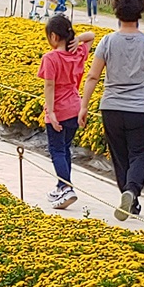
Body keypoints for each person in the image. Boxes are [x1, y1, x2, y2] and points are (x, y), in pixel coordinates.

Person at [79, 0, 144, 221]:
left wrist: (84, 106)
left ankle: (130, 198)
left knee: (119, 156)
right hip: (140, 109)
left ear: (117, 12)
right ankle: (131, 191)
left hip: (112, 108)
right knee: (139, 154)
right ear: (141, 13)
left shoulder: (108, 41)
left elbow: (93, 77)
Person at [40, 15, 94, 210]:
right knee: (65, 148)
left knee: (56, 150)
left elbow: (49, 85)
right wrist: (78, 39)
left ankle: (65, 186)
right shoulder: (78, 52)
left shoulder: (51, 57)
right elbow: (92, 35)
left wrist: (51, 112)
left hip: (59, 109)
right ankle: (62, 185)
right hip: (75, 107)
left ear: (54, 37)